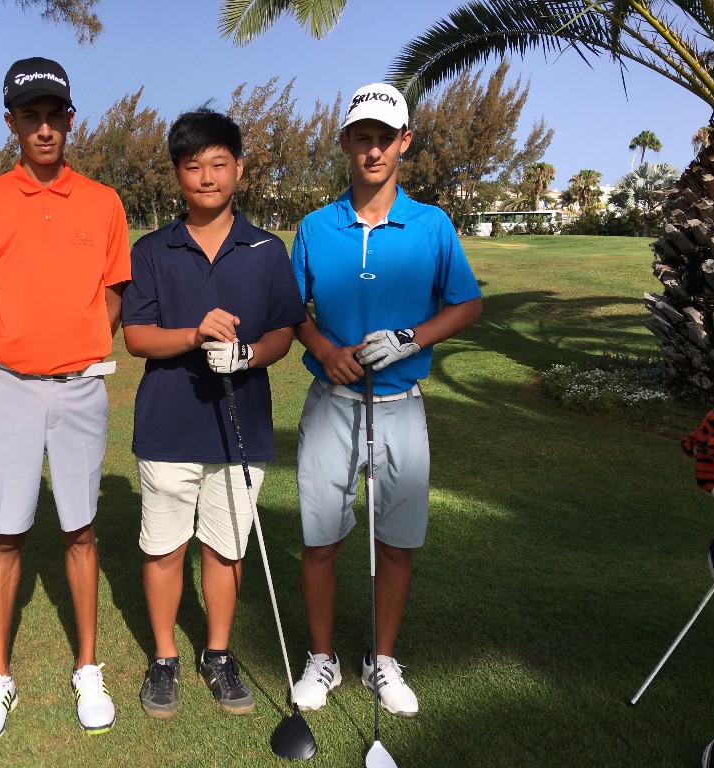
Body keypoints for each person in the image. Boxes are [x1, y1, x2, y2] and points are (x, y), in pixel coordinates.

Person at [288, 83, 483, 716]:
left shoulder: (432, 225)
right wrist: (324, 349)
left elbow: (466, 303)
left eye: (385, 138)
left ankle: (382, 658)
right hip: (333, 402)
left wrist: (410, 338)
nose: (373, 150)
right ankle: (322, 657)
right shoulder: (316, 227)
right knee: (320, 540)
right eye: (362, 137)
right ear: (346, 142)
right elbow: (290, 309)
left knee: (396, 543)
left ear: (405, 142)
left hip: (401, 405)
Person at [0, 56, 130, 744]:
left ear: (70, 120)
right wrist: (20, 346)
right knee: (7, 533)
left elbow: (113, 293)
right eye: (31, 117)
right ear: (12, 124)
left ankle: (88, 667)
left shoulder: (104, 202)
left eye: (56, 115)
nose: (45, 128)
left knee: (80, 529)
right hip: (11, 388)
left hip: (82, 387)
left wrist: (78, 345)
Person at [121, 108, 306, 719]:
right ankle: (165, 657)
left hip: (241, 428)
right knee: (164, 548)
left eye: (219, 163)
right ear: (177, 174)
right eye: (193, 165)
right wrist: (195, 335)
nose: (207, 177)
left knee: (226, 550)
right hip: (168, 425)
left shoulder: (266, 249)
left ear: (239, 169)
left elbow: (283, 331)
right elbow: (137, 337)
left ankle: (218, 653)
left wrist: (248, 354)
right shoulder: (153, 250)